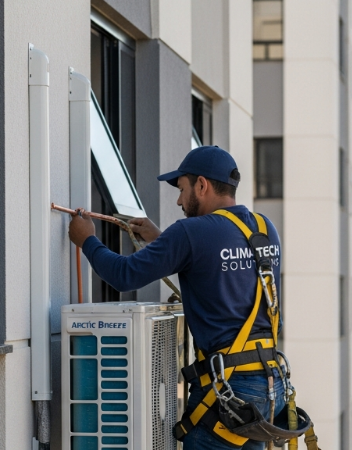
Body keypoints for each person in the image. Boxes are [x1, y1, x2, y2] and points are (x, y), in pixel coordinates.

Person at [68, 146, 284, 450]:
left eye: (182, 189)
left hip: (228, 390)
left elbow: (123, 275)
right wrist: (163, 241)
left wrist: (87, 240)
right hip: (269, 385)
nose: (179, 201)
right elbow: (217, 270)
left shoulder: (191, 233)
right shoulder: (264, 228)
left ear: (202, 185)